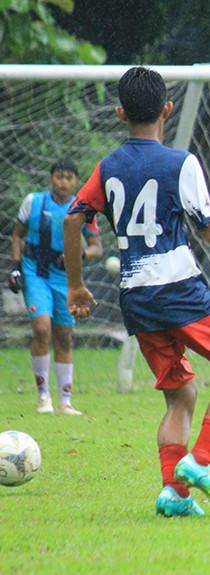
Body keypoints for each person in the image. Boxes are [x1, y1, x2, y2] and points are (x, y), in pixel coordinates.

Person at [63, 66, 210, 517]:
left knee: (181, 394)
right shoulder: (181, 162)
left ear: (119, 113)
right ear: (167, 109)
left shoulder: (108, 166)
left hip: (134, 294)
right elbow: (205, 226)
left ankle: (174, 492)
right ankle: (203, 462)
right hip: (178, 287)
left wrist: (76, 286)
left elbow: (74, 218)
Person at [7, 159, 103, 415]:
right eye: (58, 176)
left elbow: (97, 247)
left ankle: (65, 401)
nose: (63, 182)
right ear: (51, 178)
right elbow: (18, 234)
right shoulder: (33, 202)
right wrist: (16, 266)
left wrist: (80, 254)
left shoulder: (82, 209)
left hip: (66, 278)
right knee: (41, 327)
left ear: (75, 182)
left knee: (64, 337)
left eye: (68, 178)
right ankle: (43, 397)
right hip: (36, 272)